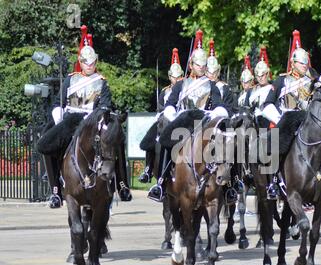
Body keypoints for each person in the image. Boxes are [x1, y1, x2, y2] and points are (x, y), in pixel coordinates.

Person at [37, 45, 132, 208]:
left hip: (92, 122)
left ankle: (122, 185)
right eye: (86, 62)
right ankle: (55, 191)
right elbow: (57, 102)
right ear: (80, 62)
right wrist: (58, 113)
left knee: (116, 139)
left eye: (92, 62)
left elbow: (105, 105)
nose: (90, 65)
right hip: (71, 120)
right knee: (47, 139)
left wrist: (95, 117)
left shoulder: (101, 82)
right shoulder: (70, 79)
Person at [147, 29, 231, 202]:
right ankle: (161, 182)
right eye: (198, 64)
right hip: (184, 121)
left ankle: (231, 184)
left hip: (205, 121)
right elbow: (170, 105)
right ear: (191, 65)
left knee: (227, 140)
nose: (201, 67)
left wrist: (215, 116)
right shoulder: (180, 85)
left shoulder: (212, 85)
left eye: (203, 65)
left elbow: (220, 106)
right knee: (165, 140)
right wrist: (171, 115)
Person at [261, 31, 319, 199]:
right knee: (276, 146)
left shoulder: (312, 82)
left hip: (308, 121)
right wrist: (280, 119)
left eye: (305, 63)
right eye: (301, 63)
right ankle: (273, 182)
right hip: (286, 122)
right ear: (293, 63)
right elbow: (267, 104)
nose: (304, 66)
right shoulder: (281, 81)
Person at [138, 48, 184, 183]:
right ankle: (148, 168)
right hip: (165, 119)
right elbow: (160, 107)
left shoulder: (185, 88)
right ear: (169, 77)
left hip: (179, 118)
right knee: (151, 137)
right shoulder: (164, 91)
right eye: (173, 77)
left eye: (178, 76)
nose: (176, 79)